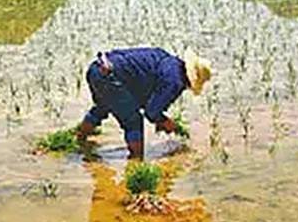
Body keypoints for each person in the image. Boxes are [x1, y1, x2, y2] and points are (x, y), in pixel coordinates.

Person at [77, 47, 212, 160]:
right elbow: (151, 112)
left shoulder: (164, 57)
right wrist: (166, 122)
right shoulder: (175, 82)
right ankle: (136, 162)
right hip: (109, 76)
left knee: (103, 107)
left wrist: (160, 120)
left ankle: (79, 139)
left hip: (96, 68)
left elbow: (141, 89)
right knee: (134, 121)